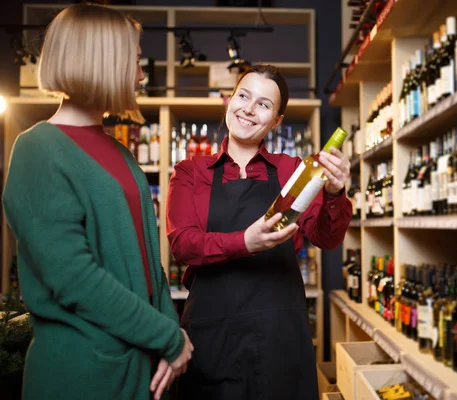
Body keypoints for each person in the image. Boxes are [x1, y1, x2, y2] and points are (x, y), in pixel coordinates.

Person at [2, 4, 193, 400]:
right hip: (82, 376)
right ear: (102, 61)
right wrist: (167, 337)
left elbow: (148, 266)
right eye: (136, 60)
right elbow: (74, 278)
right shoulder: (37, 149)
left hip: (141, 368)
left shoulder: (120, 152)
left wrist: (169, 334)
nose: (142, 75)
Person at [166, 64, 352, 400]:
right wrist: (244, 242)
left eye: (264, 104)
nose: (249, 109)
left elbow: (325, 237)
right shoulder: (191, 172)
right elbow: (183, 244)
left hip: (279, 336)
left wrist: (336, 195)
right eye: (243, 96)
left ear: (277, 121)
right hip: (211, 336)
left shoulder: (292, 170)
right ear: (230, 100)